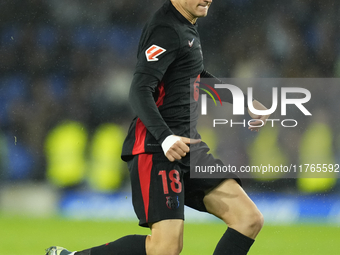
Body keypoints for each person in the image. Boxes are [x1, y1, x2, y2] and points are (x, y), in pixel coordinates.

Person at [46, 0, 269, 254]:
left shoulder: (186, 25)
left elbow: (194, 76)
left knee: (248, 219)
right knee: (165, 247)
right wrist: (165, 138)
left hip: (187, 146)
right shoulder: (166, 29)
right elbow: (139, 90)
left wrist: (243, 101)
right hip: (156, 147)